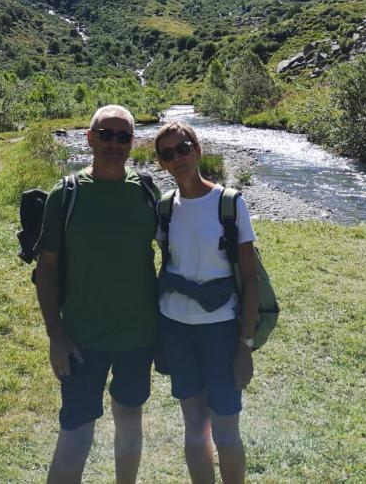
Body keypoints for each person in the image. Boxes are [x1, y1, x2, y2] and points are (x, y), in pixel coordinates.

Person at [36, 105, 160, 484]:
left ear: (132, 143)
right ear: (89, 138)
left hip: (138, 336)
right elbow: (47, 269)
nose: (114, 143)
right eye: (106, 134)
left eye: (123, 136)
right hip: (80, 338)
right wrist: (56, 335)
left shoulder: (146, 191)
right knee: (76, 430)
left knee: (129, 418)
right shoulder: (67, 193)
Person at [154, 121, 258, 484]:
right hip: (176, 330)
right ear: (162, 163)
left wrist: (245, 346)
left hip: (222, 333)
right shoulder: (164, 208)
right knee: (195, 431)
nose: (177, 157)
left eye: (183, 147)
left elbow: (250, 278)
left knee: (226, 433)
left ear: (198, 149)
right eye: (167, 154)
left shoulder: (229, 204)